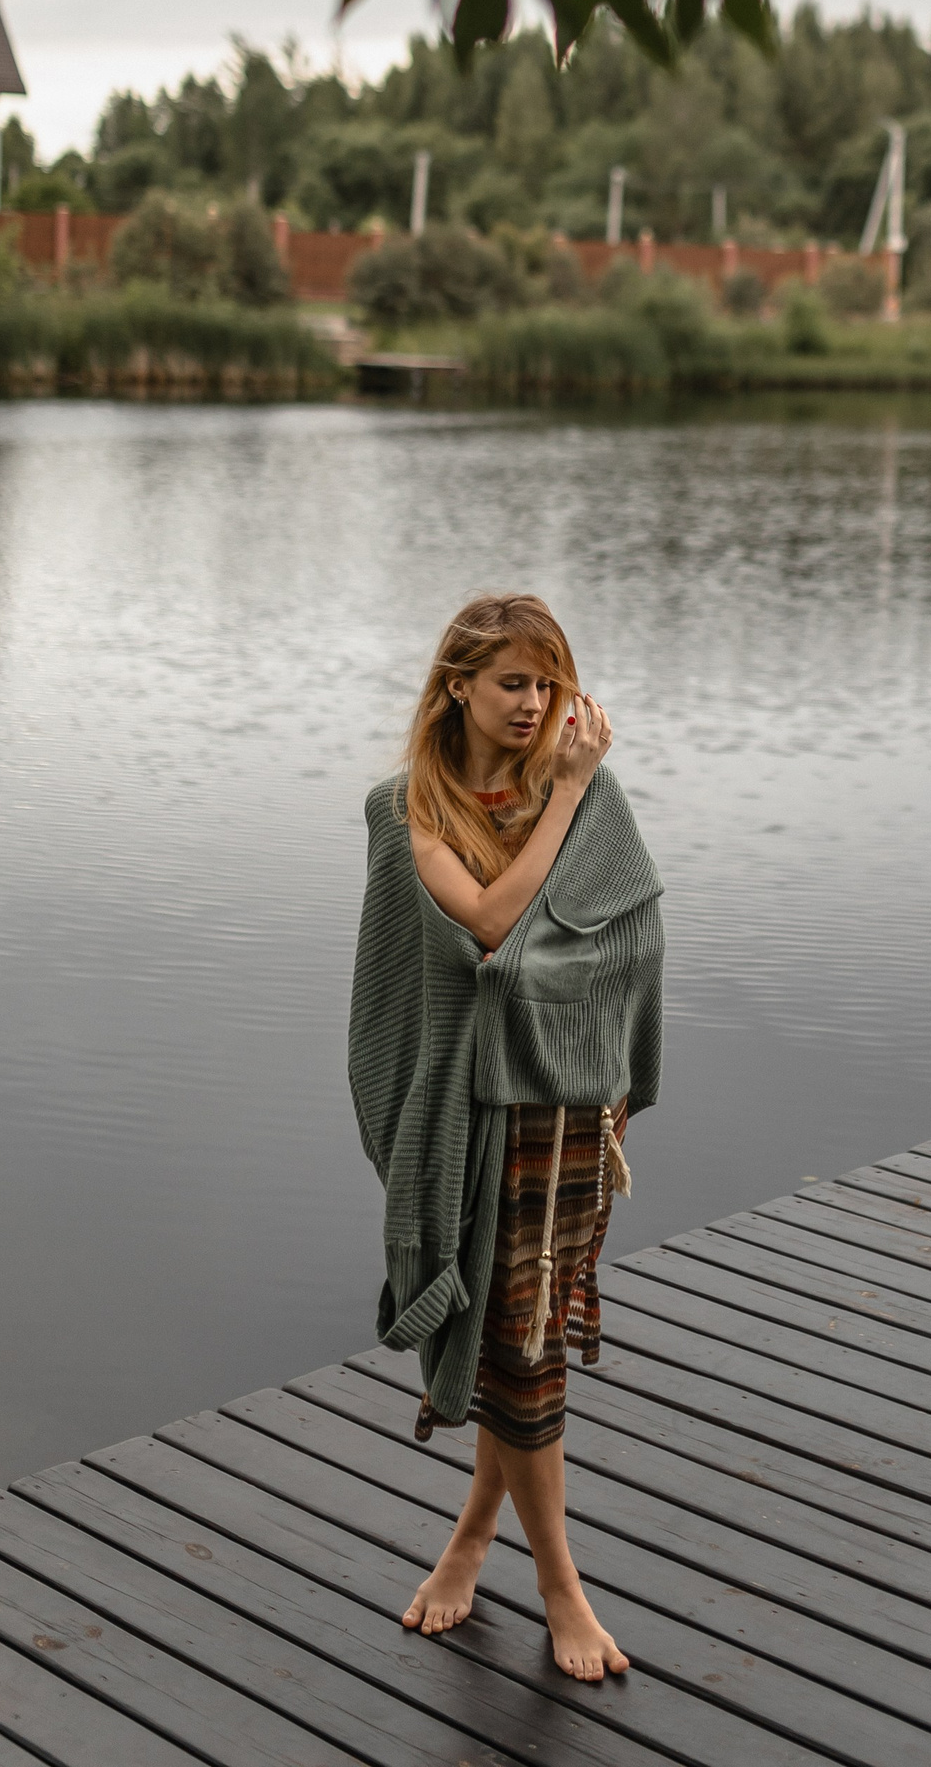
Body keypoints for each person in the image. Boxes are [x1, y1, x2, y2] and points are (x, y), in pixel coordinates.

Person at [348, 593, 665, 1683]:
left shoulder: (586, 795)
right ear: (460, 687)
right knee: (509, 1345)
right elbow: (487, 928)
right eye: (513, 682)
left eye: (550, 682)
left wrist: (569, 799)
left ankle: (491, 1549)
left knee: (517, 1346)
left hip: (565, 1108)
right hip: (465, 1115)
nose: (535, 704)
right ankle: (545, 1579)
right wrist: (565, 798)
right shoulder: (408, 808)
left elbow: (628, 937)